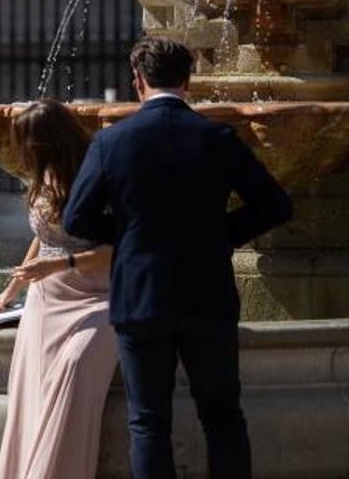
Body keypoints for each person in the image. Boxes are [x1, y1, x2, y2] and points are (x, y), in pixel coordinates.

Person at [63, 37, 293, 479]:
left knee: (148, 423)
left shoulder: (113, 143)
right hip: (208, 293)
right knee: (223, 417)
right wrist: (221, 235)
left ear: (138, 81)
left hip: (141, 295)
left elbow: (77, 218)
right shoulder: (218, 138)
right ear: (188, 80)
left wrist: (129, 236)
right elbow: (276, 206)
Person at [0, 99, 116, 479]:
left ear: (44, 142)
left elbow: (118, 248)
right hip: (46, 298)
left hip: (99, 296)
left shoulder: (98, 177)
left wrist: (58, 265)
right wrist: (12, 290)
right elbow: (42, 236)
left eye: (23, 141)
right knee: (31, 396)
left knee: (74, 368)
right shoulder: (42, 177)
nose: (18, 150)